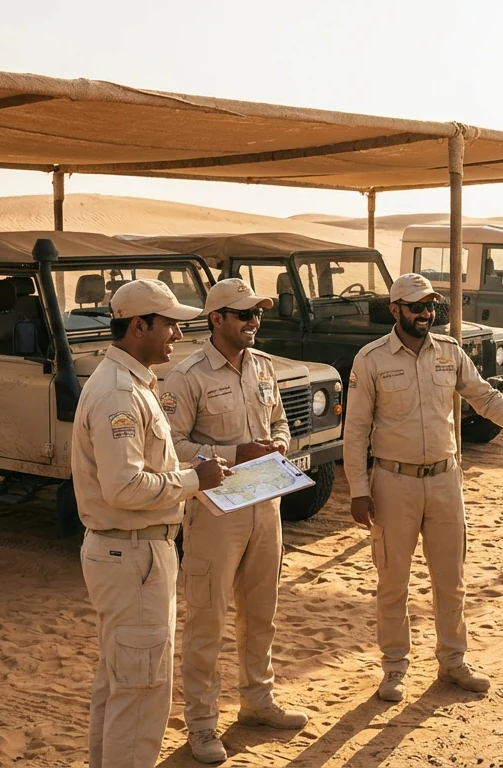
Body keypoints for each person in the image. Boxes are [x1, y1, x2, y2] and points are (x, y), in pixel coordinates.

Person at [343, 274, 503, 702]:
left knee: (452, 579)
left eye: (430, 305)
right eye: (415, 306)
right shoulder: (369, 359)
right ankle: (393, 668)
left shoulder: (449, 352)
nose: (425, 313)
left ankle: (453, 662)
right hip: (393, 484)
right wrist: (358, 489)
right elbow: (355, 431)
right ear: (395, 310)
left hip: (445, 481)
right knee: (393, 582)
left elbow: (485, 398)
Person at [71, 279, 231, 768]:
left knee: (122, 683)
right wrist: (193, 478)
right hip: (132, 554)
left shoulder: (132, 384)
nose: (178, 334)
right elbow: (124, 487)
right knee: (141, 693)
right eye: (169, 324)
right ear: (138, 326)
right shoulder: (120, 393)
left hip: (133, 552)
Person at [160, 278, 308, 764]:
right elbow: (169, 447)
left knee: (260, 611)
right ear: (215, 319)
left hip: (266, 504)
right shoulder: (187, 376)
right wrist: (230, 452)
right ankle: (202, 724)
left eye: (257, 314)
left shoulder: (263, 367)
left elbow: (281, 421)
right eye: (243, 315)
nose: (254, 322)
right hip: (215, 512)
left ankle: (257, 701)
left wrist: (280, 444)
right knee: (208, 617)